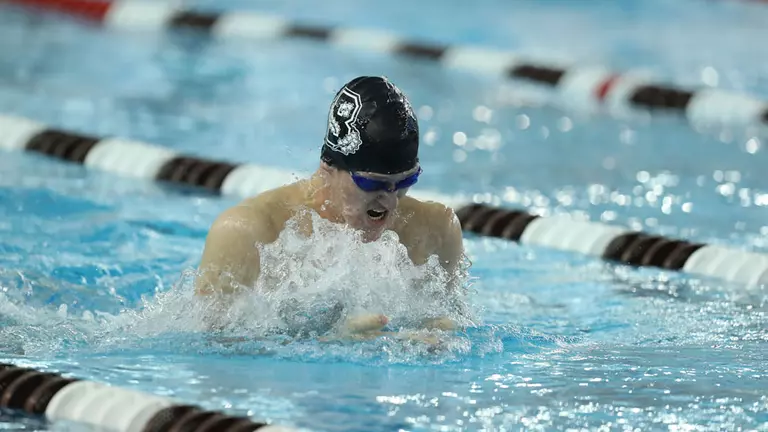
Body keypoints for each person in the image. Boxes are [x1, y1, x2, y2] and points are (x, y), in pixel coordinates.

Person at [194, 76, 467, 339]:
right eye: (373, 184)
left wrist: (438, 339)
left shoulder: (436, 231)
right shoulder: (248, 234)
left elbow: (451, 322)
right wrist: (330, 343)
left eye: (406, 181)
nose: (391, 201)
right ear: (328, 168)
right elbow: (209, 347)